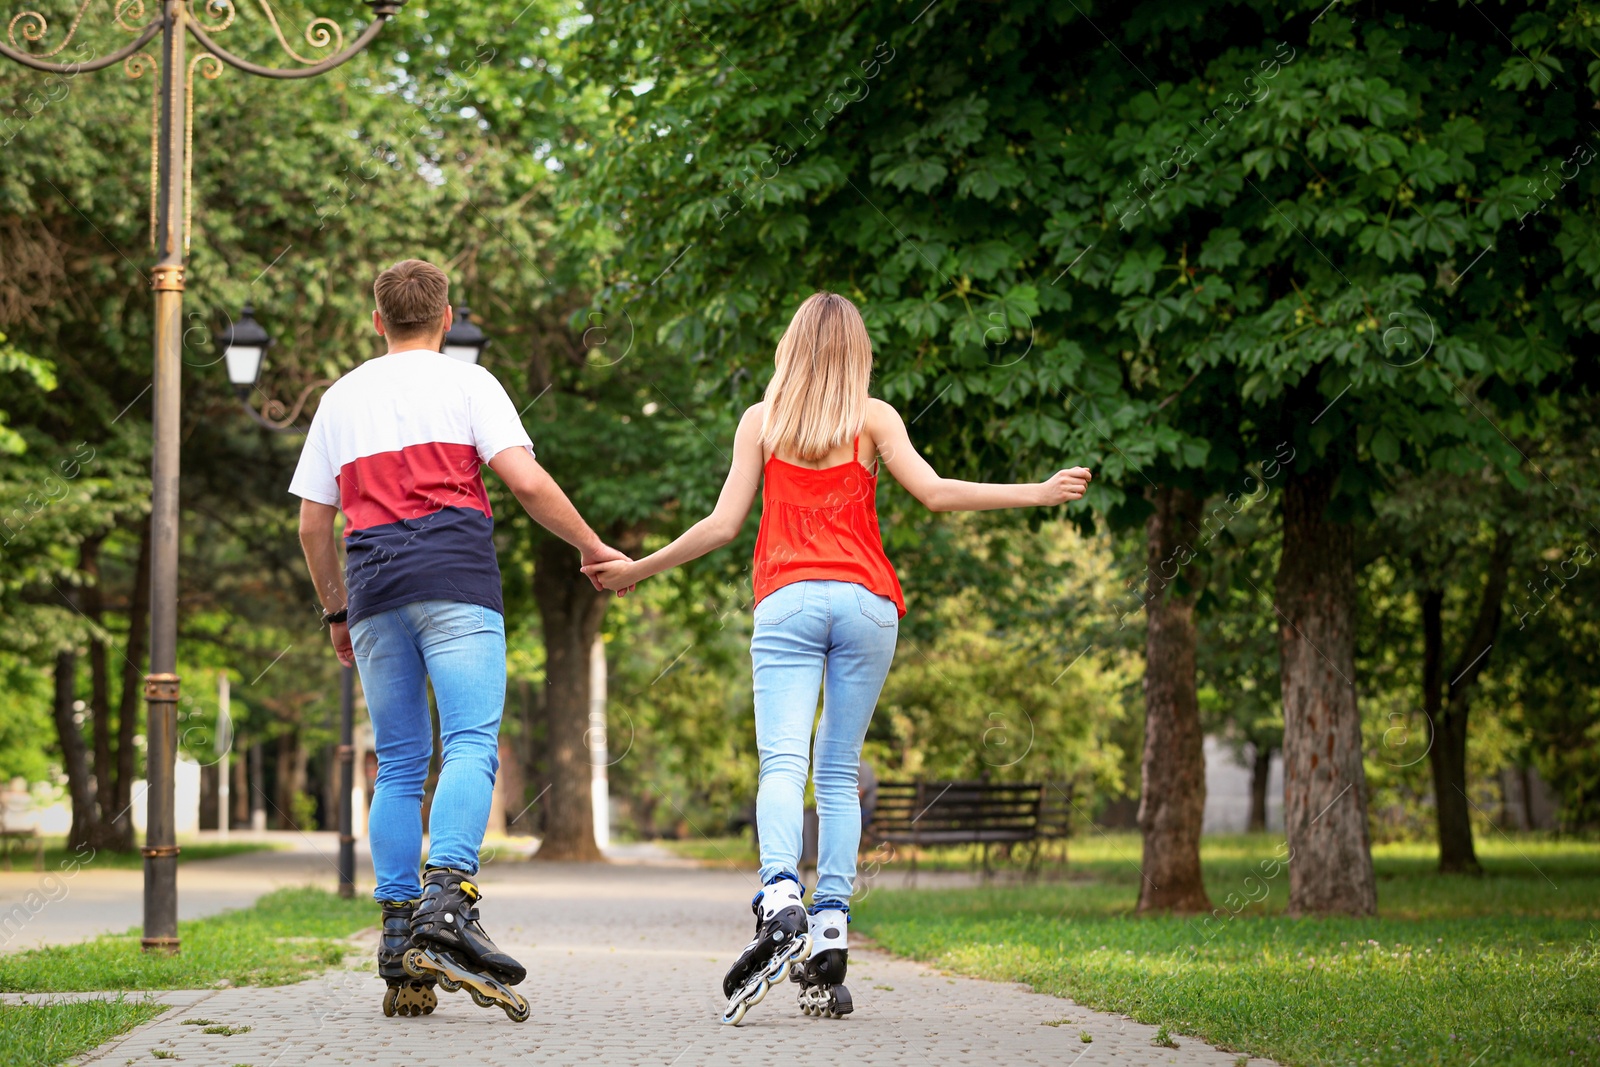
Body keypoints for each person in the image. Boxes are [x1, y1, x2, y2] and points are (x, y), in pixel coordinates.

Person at [584, 291, 1091, 1024]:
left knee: (782, 764)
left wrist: (637, 569)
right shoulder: (873, 418)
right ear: (858, 351)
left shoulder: (762, 421)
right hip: (866, 603)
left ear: (791, 345)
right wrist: (1036, 492)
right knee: (839, 772)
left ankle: (781, 894)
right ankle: (828, 932)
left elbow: (723, 525)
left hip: (787, 601)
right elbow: (936, 493)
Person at [290, 259, 630, 1022]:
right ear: (446, 318)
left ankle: (397, 937)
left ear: (377, 320)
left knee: (401, 759)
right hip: (455, 583)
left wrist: (337, 613)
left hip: (374, 593)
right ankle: (448, 903)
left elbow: (314, 523)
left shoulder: (340, 398)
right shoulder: (471, 383)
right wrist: (588, 545)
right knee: (472, 743)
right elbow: (527, 481)